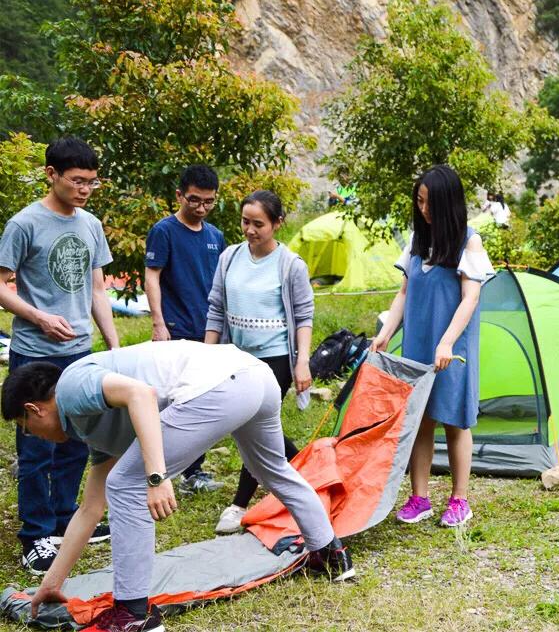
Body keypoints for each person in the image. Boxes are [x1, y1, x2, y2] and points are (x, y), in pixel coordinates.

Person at [2, 341, 353, 632]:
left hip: (221, 385)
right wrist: (52, 583)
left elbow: (141, 394)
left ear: (35, 409)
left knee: (126, 483)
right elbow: (91, 509)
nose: (33, 435)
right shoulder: (91, 423)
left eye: (25, 426)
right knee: (273, 469)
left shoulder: (71, 387)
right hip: (255, 378)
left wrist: (156, 477)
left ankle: (132, 615)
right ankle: (330, 553)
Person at [0, 137, 118, 575]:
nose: (85, 189)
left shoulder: (91, 224)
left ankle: (66, 517)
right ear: (51, 174)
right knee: (35, 448)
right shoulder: (24, 224)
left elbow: (97, 289)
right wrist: (39, 317)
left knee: (78, 440)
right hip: (35, 354)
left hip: (80, 352)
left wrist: (113, 344)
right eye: (77, 180)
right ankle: (35, 534)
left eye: (92, 182)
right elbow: (1, 284)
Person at [371, 165, 494, 528]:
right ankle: (419, 498)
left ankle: (459, 500)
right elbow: (404, 292)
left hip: (451, 348)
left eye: (430, 203)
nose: (423, 210)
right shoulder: (417, 241)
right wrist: (385, 331)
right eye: (419, 201)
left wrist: (447, 342)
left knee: (455, 421)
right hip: (418, 344)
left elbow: (470, 298)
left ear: (448, 204)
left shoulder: (469, 242)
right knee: (421, 420)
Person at [203, 190, 314, 535]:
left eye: (258, 224)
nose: (250, 230)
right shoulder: (229, 258)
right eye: (245, 222)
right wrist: (206, 355)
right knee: (253, 429)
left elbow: (304, 316)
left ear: (277, 223)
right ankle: (307, 469)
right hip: (236, 355)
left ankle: (239, 505)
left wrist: (303, 362)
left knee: (253, 426)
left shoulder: (290, 265)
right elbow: (216, 308)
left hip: (275, 359)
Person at [144, 165, 226, 496]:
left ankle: (194, 471)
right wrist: (158, 323)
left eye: (208, 201)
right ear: (179, 195)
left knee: (200, 401)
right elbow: (152, 277)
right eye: (194, 200)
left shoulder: (215, 236)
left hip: (208, 332)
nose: (201, 207)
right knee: (169, 402)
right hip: (175, 329)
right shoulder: (164, 231)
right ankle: (158, 469)